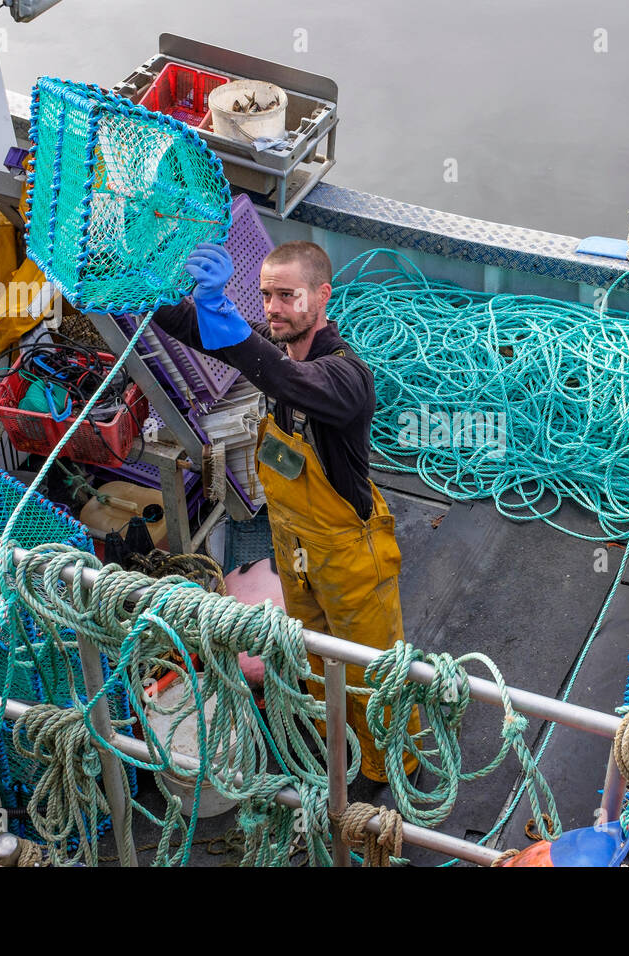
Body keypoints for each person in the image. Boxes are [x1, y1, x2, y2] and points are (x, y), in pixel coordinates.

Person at [150, 240, 419, 790]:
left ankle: (389, 768)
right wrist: (135, 292)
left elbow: (280, 377)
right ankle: (329, 738)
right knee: (310, 654)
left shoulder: (344, 378)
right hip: (296, 551)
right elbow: (222, 341)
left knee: (373, 671)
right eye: (266, 295)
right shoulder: (279, 351)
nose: (273, 308)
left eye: (287, 296)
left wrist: (229, 321)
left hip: (350, 555)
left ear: (321, 296)